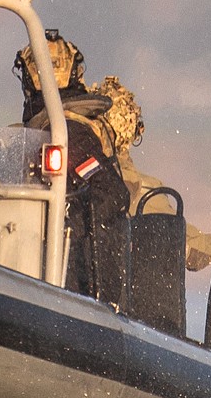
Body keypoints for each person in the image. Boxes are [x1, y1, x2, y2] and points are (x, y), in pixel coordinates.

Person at [17, 28, 147, 306]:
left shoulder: (70, 136)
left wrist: (67, 224)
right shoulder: (28, 135)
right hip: (31, 271)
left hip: (68, 282)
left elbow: (109, 193)